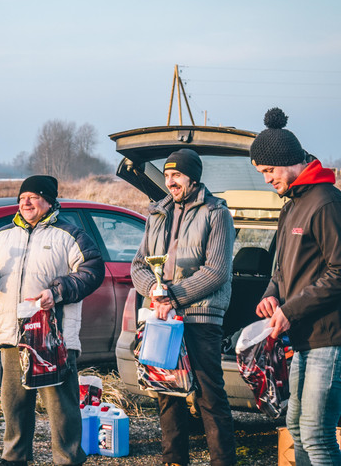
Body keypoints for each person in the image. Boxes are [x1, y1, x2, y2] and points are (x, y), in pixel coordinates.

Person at [251, 108, 341, 466]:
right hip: (306, 336)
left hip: (335, 336)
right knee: (297, 429)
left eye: (268, 171)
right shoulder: (292, 207)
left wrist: (290, 309)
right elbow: (283, 268)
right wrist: (272, 294)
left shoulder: (327, 203)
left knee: (316, 434)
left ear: (286, 161)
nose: (267, 179)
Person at [0, 175, 105, 466]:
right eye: (22, 197)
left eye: (33, 196)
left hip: (52, 337)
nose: (25, 202)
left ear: (49, 201)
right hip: (12, 336)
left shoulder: (70, 235)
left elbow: (92, 271)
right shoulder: (2, 236)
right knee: (13, 404)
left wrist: (57, 292)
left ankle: (67, 459)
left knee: (60, 406)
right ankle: (14, 458)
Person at [131, 148, 237, 466]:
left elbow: (217, 271)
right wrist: (154, 290)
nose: (170, 181)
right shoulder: (158, 213)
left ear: (193, 177)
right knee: (166, 394)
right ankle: (173, 461)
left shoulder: (217, 213)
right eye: (167, 175)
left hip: (201, 317)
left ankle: (222, 462)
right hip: (163, 318)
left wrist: (172, 296)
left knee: (209, 396)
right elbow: (139, 265)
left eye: (177, 175)